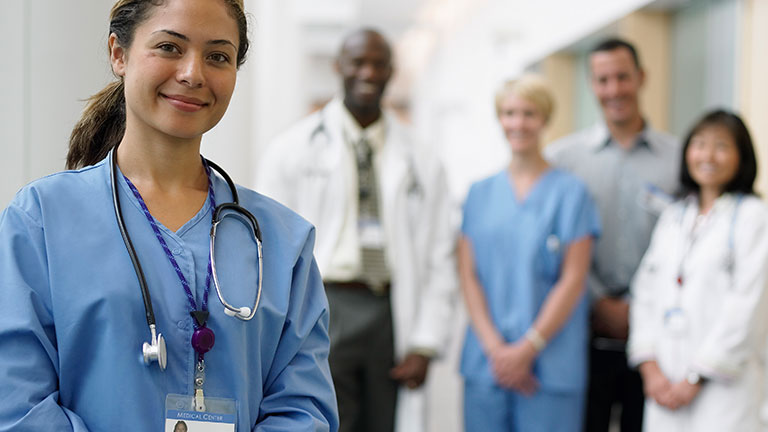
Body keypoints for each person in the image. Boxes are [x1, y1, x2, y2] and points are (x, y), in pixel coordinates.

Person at [0, 1, 338, 431]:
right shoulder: (41, 220)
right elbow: (16, 403)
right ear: (118, 54)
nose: (193, 74)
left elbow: (303, 410)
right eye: (169, 47)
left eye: (218, 56)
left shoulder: (283, 241)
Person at [256, 28, 457, 432]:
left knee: (385, 422)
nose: (368, 72)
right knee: (325, 420)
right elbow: (267, 249)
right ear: (338, 68)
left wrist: (425, 341)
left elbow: (440, 254)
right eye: (357, 62)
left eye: (378, 64)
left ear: (391, 72)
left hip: (391, 309)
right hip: (325, 305)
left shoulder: (422, 158)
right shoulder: (291, 150)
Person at [546, 37, 680, 432]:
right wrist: (596, 300)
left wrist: (638, 308)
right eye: (603, 80)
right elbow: (555, 244)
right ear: (592, 84)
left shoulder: (677, 160)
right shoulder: (563, 160)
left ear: (642, 78)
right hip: (584, 332)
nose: (614, 89)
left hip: (657, 338)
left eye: (623, 77)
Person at [459, 75, 600, 431]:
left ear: (545, 119)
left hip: (551, 364)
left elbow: (574, 278)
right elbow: (469, 275)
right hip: (487, 363)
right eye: (509, 113)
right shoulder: (479, 193)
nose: (517, 123)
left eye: (528, 113)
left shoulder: (571, 193)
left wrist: (526, 350)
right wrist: (497, 351)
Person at [628, 109, 768, 431]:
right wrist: (651, 369)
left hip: (723, 388)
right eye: (699, 144)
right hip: (664, 384)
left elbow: (748, 307)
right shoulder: (673, 217)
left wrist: (695, 377)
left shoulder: (753, 217)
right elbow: (645, 294)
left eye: (721, 146)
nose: (708, 155)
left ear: (741, 156)